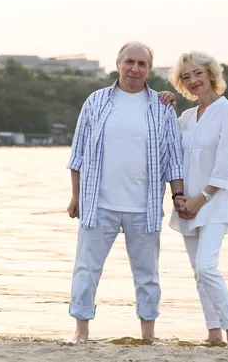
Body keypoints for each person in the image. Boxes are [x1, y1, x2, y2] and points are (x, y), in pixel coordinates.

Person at [66, 41, 186, 344]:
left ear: (148, 69)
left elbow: (174, 158)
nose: (134, 68)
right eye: (129, 62)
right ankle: (81, 333)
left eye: (141, 64)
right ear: (118, 64)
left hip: (143, 207)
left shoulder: (162, 106)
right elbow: (77, 153)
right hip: (97, 203)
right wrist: (75, 195)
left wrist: (178, 196)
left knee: (147, 275)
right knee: (86, 269)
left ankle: (148, 336)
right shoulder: (96, 101)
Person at [168, 50, 228, 348]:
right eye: (186, 77)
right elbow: (173, 158)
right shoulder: (185, 118)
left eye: (198, 73)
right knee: (197, 272)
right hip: (186, 204)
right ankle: (213, 332)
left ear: (211, 73)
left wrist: (200, 198)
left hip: (214, 203)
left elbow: (226, 164)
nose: (193, 80)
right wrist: (179, 198)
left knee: (206, 266)